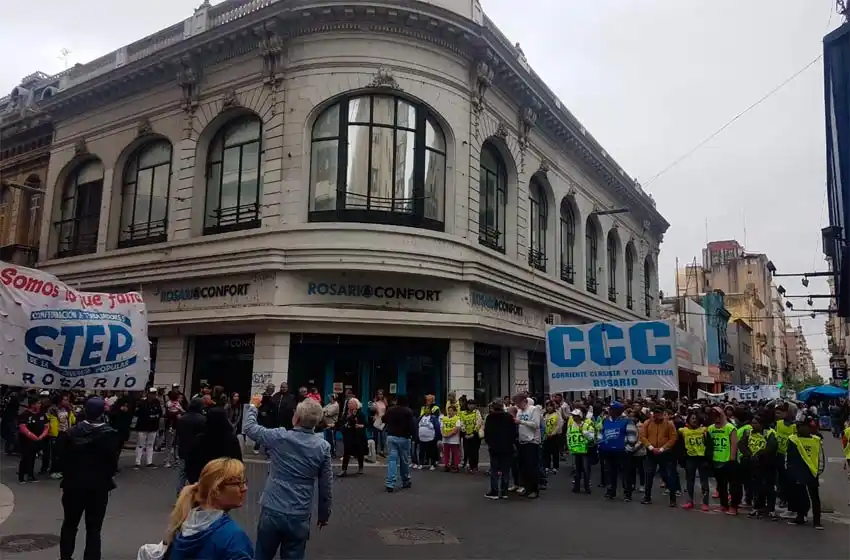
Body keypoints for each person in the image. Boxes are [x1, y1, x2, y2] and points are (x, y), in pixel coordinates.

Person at [244, 395, 332, 559]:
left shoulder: (280, 436)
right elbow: (325, 486)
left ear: (296, 418)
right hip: (299, 512)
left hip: (273, 507)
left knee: (262, 554)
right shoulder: (323, 447)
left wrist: (253, 407)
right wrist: (323, 514)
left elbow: (249, 428)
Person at [152, 458, 253, 560]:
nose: (244, 488)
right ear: (216, 490)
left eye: (244, 482)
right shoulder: (234, 538)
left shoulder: (182, 526)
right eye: (238, 483)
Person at [59, 397, 120, 560]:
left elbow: (62, 460)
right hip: (98, 488)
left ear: (85, 411)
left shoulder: (71, 433)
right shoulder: (110, 434)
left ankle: (65, 557)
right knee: (94, 528)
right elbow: (113, 464)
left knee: (69, 524)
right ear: (102, 413)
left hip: (73, 486)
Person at [185, 407, 242, 485]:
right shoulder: (231, 440)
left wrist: (194, 481)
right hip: (224, 484)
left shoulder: (200, 439)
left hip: (203, 483)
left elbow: (190, 462)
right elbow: (238, 463)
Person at [786, 415, 824, 530]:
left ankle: (817, 521)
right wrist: (790, 470)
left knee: (814, 497)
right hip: (798, 471)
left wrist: (819, 470)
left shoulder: (816, 440)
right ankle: (800, 516)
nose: (799, 428)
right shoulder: (793, 439)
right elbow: (788, 456)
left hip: (812, 471)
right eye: (798, 426)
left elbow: (820, 457)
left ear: (809, 427)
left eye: (802, 426)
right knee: (800, 495)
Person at [741, 413, 778, 519]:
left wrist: (759, 454)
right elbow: (742, 444)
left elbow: (771, 446)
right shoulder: (748, 432)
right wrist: (749, 455)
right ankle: (757, 507)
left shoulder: (769, 433)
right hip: (753, 464)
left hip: (767, 464)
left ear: (762, 424)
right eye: (752, 423)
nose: (753, 425)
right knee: (756, 487)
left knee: (769, 487)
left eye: (755, 423)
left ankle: (771, 509)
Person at [640, 405, 679, 506]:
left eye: (659, 412)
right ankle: (647, 497)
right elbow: (643, 436)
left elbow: (673, 438)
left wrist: (662, 449)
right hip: (651, 453)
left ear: (663, 413)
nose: (657, 415)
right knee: (649, 475)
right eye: (656, 412)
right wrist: (651, 448)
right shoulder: (647, 423)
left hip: (665, 454)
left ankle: (673, 499)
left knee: (669, 475)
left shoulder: (669, 424)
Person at [598, 402, 633, 501]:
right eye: (610, 409)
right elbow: (601, 433)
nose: (610, 411)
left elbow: (632, 435)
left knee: (625, 473)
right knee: (610, 472)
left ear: (618, 411)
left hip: (622, 451)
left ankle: (627, 493)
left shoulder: (627, 421)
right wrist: (600, 444)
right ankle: (611, 491)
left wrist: (628, 448)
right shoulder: (605, 421)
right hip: (608, 451)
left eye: (612, 409)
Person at [708, 406, 738, 513]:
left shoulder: (730, 428)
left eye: (718, 416)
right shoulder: (711, 428)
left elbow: (734, 444)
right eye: (714, 416)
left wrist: (732, 458)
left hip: (728, 460)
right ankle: (723, 504)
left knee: (733, 485)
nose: (716, 419)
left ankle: (733, 506)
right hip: (716, 460)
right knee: (721, 485)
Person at [484, 400, 516, 499]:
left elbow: (487, 432)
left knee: (494, 469)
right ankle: (504, 491)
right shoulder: (509, 417)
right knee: (505, 470)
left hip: (494, 447)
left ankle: (494, 491)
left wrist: (489, 443)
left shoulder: (490, 417)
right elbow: (514, 432)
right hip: (507, 447)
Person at [679, 411, 710, 511]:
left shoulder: (704, 430)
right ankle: (689, 501)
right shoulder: (683, 431)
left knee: (704, 481)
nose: (694, 420)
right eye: (692, 418)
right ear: (688, 420)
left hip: (702, 458)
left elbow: (709, 444)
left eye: (696, 418)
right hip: (690, 458)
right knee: (689, 480)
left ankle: (705, 503)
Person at [383, 394, 415, 492]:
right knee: (404, 461)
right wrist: (412, 435)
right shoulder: (408, 411)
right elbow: (412, 426)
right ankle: (405, 481)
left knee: (392, 460)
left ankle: (390, 483)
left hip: (391, 437)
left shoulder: (391, 410)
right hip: (404, 438)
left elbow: (384, 419)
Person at [175, 398, 207, 493]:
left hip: (183, 449)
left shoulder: (182, 418)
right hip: (197, 451)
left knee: (182, 473)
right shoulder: (203, 419)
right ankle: (195, 494)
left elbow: (178, 434)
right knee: (196, 473)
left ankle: (180, 494)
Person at [513, 393, 541, 499]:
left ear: (524, 401)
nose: (517, 406)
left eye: (518, 403)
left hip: (532, 441)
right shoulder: (519, 411)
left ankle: (534, 489)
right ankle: (526, 487)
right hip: (522, 441)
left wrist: (521, 422)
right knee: (523, 467)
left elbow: (536, 424)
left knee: (532, 467)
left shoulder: (533, 409)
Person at [18, 396, 48, 483]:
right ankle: (21, 476)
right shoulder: (24, 414)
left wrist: (41, 436)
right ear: (32, 405)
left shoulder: (41, 414)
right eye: (38, 403)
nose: (40, 405)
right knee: (25, 457)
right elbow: (22, 428)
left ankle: (31, 475)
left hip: (38, 440)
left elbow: (46, 426)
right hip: (26, 440)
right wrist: (32, 436)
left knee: (33, 457)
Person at [47, 392, 77, 479]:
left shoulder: (68, 409)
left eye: (68, 399)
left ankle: (63, 470)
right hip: (57, 433)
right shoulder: (53, 409)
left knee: (65, 452)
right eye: (65, 399)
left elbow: (73, 420)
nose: (67, 401)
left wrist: (72, 411)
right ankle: (54, 470)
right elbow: (50, 420)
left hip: (67, 432)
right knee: (56, 453)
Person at [134, 387, 164, 469]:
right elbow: (138, 413)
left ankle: (149, 462)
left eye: (154, 393)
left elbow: (160, 413)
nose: (153, 395)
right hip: (142, 426)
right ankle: (137, 462)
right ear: (148, 393)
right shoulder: (142, 402)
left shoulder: (157, 402)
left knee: (150, 444)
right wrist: (151, 415)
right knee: (140, 444)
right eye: (152, 393)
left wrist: (154, 416)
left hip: (153, 426)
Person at [567, 408, 595, 494]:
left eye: (576, 416)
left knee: (585, 469)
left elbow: (592, 437)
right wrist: (570, 448)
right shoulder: (571, 427)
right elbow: (568, 438)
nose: (574, 418)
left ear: (580, 417)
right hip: (576, 451)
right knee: (577, 470)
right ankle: (577, 487)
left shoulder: (586, 425)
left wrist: (584, 432)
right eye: (573, 416)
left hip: (585, 450)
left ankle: (587, 487)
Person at [339, 397, 368, 476]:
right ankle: (343, 470)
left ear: (356, 405)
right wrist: (343, 428)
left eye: (351, 403)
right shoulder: (346, 413)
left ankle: (360, 468)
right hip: (348, 435)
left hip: (358, 435)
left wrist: (360, 425)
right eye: (348, 403)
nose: (349, 405)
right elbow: (341, 422)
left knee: (359, 452)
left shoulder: (360, 414)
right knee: (346, 452)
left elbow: (365, 424)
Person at [458, 399, 484, 473]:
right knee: (467, 451)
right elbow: (461, 423)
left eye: (473, 404)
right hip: (466, 435)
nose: (471, 406)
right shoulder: (462, 413)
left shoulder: (477, 412)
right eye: (469, 404)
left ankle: (474, 466)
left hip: (475, 436)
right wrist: (465, 433)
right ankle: (470, 465)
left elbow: (479, 422)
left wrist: (473, 433)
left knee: (474, 451)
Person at [440, 405, 462, 472]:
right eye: (449, 410)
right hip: (445, 439)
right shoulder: (444, 418)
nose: (449, 412)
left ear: (455, 412)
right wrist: (443, 434)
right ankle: (446, 465)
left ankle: (456, 466)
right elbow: (441, 427)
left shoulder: (457, 418)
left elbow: (457, 428)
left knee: (455, 453)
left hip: (454, 439)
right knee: (446, 453)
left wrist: (449, 434)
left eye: (451, 411)